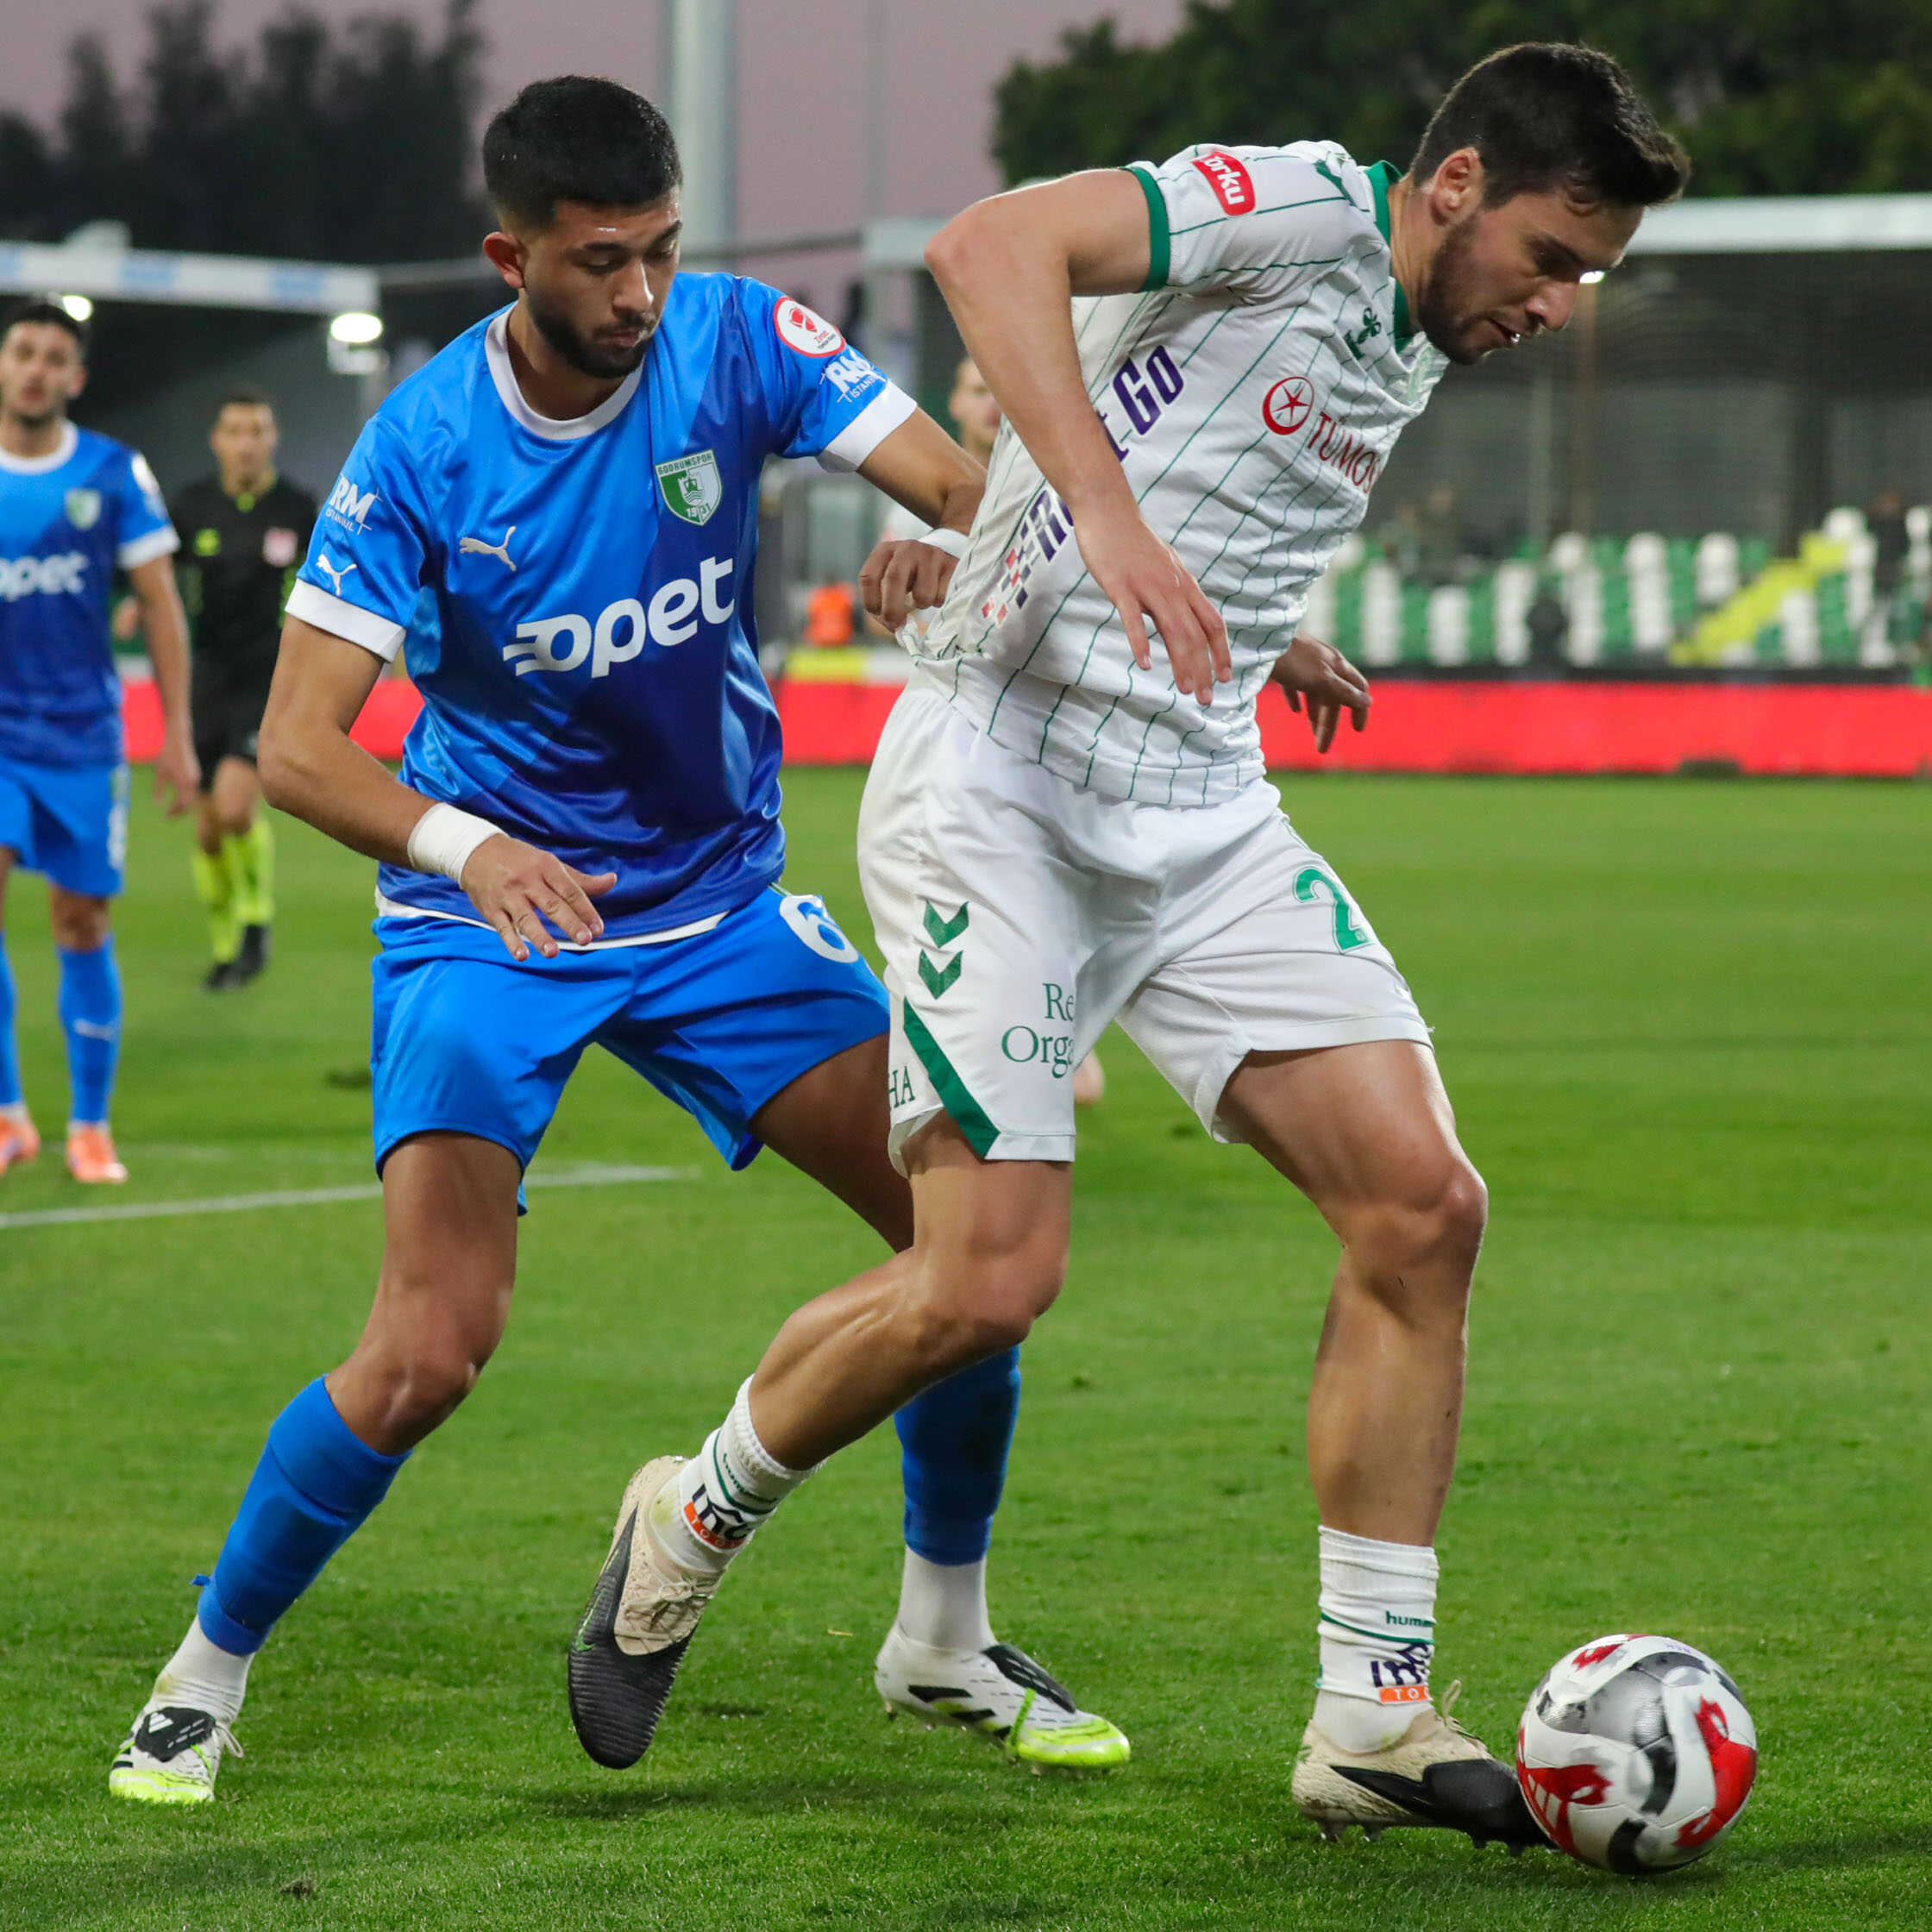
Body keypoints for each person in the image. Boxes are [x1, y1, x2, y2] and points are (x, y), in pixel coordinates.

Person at [572, 43, 1688, 1849]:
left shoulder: (1423, 326)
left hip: (1200, 806)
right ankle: (688, 1513)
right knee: (984, 1285)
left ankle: (1372, 1715)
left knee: (1423, 1208)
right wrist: (1094, 512)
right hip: (999, 788)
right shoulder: (1306, 203)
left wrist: (1254, 620)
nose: (1560, 305)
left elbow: (1203, 439)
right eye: (1554, 256)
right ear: (1457, 185)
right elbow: (990, 244)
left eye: (1590, 277)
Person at [109, 76, 1126, 1809]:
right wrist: (472, 847)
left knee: (966, 1251)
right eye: (600, 261)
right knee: (430, 1348)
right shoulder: (423, 448)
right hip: (486, 922)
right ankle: (200, 1680)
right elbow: (294, 749)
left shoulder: (738, 339)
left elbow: (968, 488)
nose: (640, 291)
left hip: (719, 908)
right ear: (511, 259)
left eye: (659, 250)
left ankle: (942, 1640)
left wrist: (927, 538)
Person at [0, 300, 196, 1185]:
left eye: (53, 358)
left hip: (82, 739)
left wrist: (178, 733)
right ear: (4, 364)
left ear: (74, 378)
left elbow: (159, 602)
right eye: (23, 352)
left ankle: (89, 1123)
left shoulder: (113, 472)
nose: (35, 369)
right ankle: (9, 1115)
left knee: (80, 920)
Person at [875, 355, 1105, 1107]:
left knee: (1062, 880)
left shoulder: (1068, 481)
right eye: (978, 390)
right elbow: (889, 610)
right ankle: (973, 1041)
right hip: (959, 716)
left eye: (1002, 386)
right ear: (953, 402)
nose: (993, 404)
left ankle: (1048, 1031)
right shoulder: (916, 504)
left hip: (1058, 719)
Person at [168, 390, 317, 988]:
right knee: (208, 829)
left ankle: (256, 922)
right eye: (235, 431)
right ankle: (225, 945)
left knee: (235, 808)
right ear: (217, 440)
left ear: (272, 438)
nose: (246, 443)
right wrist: (133, 608)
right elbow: (154, 574)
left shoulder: (297, 508)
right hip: (205, 677)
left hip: (266, 677)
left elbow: (331, 582)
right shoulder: (191, 506)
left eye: (257, 430)